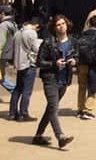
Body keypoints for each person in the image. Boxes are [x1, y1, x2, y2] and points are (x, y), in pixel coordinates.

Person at [32, 15, 76, 149]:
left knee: (50, 109)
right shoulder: (48, 42)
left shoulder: (73, 42)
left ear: (67, 25)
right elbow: (39, 62)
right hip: (50, 79)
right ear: (54, 27)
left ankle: (38, 136)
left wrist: (74, 61)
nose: (61, 26)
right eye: (58, 24)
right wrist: (54, 63)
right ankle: (60, 136)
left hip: (64, 80)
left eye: (63, 23)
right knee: (53, 108)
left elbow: (77, 56)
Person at [10, 16, 42, 121]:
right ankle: (24, 113)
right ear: (36, 25)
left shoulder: (18, 33)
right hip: (29, 64)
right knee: (27, 90)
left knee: (18, 88)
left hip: (19, 63)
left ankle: (12, 113)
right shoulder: (32, 33)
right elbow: (35, 49)